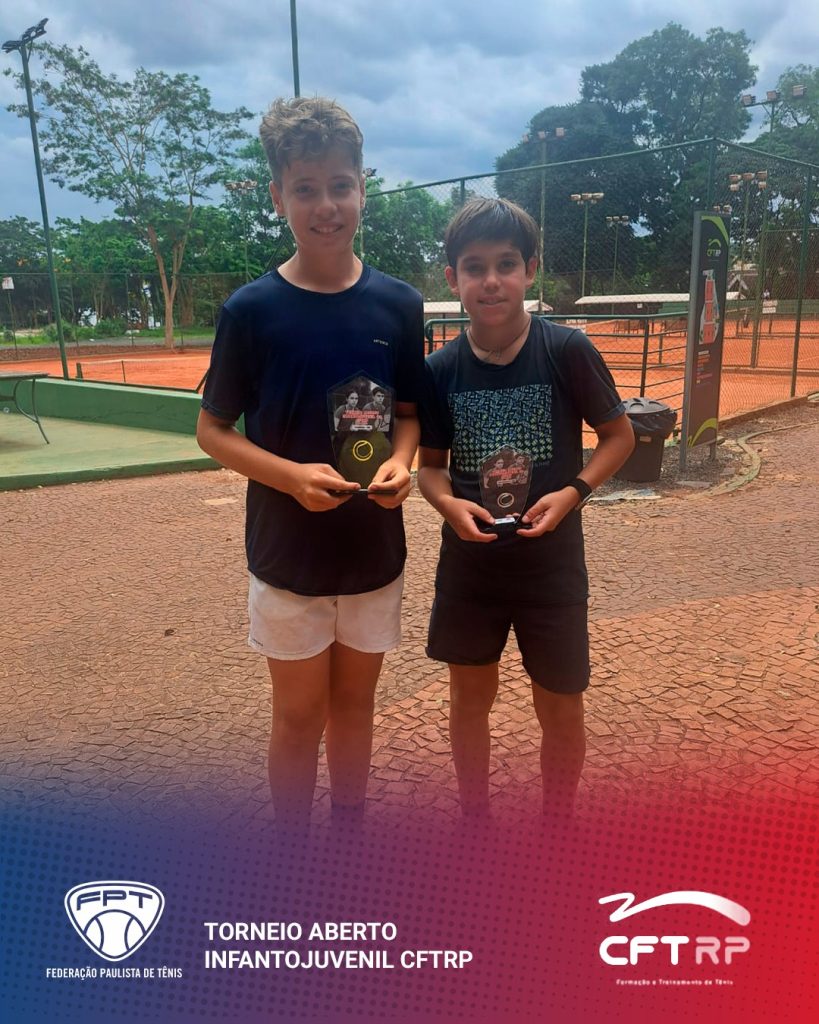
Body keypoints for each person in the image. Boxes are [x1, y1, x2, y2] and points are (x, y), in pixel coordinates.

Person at [197, 97, 424, 838]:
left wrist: (400, 464)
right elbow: (212, 432)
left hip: (371, 550)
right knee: (298, 716)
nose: (325, 205)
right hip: (288, 556)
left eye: (340, 185)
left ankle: (348, 835)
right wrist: (290, 476)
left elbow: (409, 415)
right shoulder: (251, 311)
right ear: (278, 197)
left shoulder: (399, 305)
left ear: (363, 188)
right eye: (305, 189)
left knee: (356, 705)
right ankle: (294, 850)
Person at [417, 198, 634, 824]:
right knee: (469, 702)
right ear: (452, 278)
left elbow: (618, 437)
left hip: (551, 568)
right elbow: (430, 467)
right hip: (471, 567)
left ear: (530, 270)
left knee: (561, 705)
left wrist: (573, 493)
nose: (491, 281)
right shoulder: (438, 370)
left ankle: (557, 825)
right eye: (474, 267)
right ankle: (475, 821)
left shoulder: (566, 350)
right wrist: (449, 506)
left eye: (506, 264)